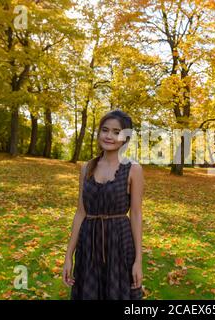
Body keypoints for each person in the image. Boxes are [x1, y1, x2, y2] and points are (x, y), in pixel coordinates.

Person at [62, 109, 144, 299]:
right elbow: (80, 213)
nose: (109, 136)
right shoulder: (87, 168)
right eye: (105, 130)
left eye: (116, 132)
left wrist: (138, 260)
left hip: (119, 243)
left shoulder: (133, 169)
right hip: (88, 244)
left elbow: (137, 215)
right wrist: (68, 256)